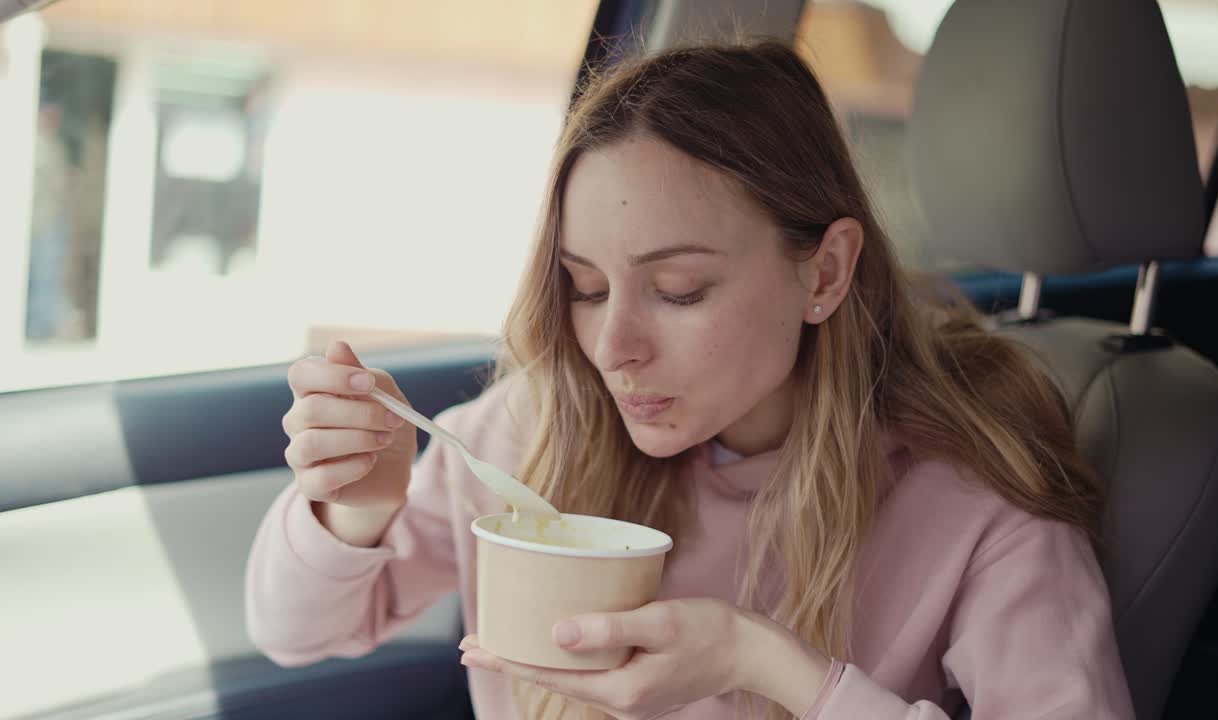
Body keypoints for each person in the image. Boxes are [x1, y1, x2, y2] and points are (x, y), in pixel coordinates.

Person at [247, 42, 1134, 719]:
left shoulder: (980, 506)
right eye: (586, 287)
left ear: (823, 274)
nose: (613, 345)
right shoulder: (536, 431)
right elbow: (294, 632)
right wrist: (354, 508)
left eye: (679, 291)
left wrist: (768, 664)